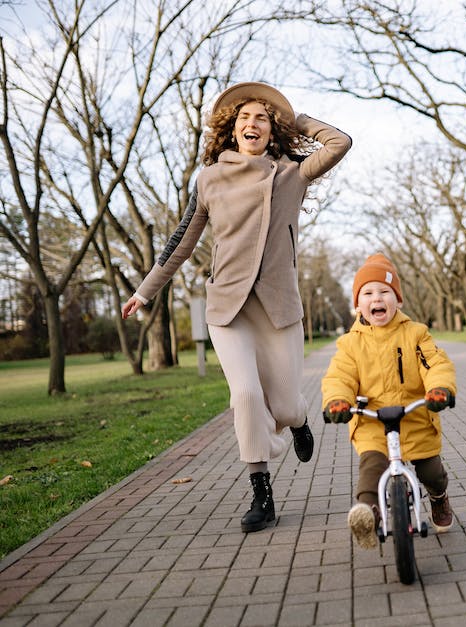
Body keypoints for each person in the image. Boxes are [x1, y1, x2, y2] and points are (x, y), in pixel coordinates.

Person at [121, 82, 352, 533]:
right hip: (227, 305)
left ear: (272, 131)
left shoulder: (292, 174)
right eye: (245, 117)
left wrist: (293, 117)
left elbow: (340, 142)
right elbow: (181, 241)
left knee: (284, 407)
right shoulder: (209, 180)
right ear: (231, 129)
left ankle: (298, 420)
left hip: (278, 307)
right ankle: (261, 491)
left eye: (263, 119)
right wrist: (145, 291)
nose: (253, 123)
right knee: (245, 396)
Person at [321, 253, 457, 549]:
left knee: (432, 471)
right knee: (372, 467)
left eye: (384, 292)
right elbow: (339, 377)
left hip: (414, 417)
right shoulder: (350, 344)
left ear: (398, 300)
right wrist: (337, 401)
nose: (376, 298)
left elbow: (435, 365)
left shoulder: (416, 334)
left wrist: (439, 389)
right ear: (358, 305)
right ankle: (367, 515)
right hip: (372, 420)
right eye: (368, 293)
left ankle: (438, 498)